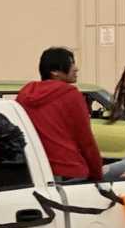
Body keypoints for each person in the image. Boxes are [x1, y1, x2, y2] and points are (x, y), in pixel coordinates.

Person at [16, 47, 103, 184]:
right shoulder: (71, 94)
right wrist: (97, 174)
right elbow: (85, 139)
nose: (76, 68)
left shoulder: (24, 94)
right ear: (55, 71)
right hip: (69, 170)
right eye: (71, 63)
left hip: (36, 172)